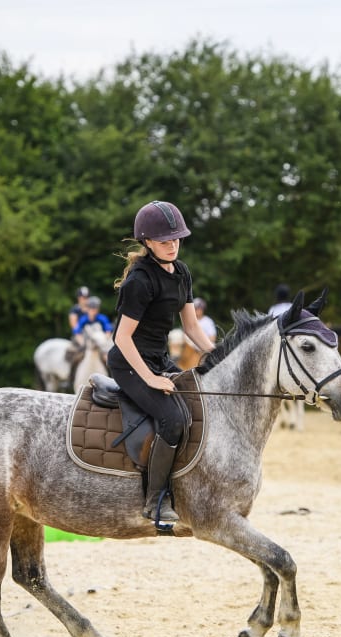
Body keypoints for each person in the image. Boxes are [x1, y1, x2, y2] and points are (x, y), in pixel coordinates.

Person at [108, 199, 215, 526]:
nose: (172, 246)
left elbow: (191, 326)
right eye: (165, 241)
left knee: (197, 407)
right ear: (147, 242)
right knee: (172, 419)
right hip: (129, 363)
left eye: (177, 239)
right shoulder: (140, 280)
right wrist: (152, 380)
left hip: (158, 357)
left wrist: (217, 354)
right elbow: (122, 339)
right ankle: (155, 501)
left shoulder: (181, 272)